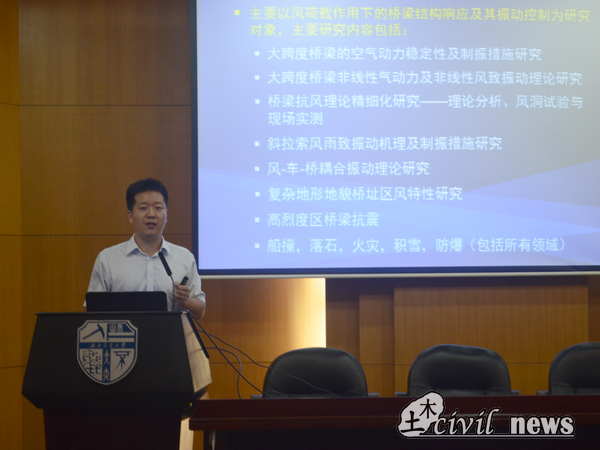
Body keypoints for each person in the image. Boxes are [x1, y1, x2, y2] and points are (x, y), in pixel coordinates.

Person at [87, 178, 206, 318]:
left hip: (169, 333)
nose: (151, 214)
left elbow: (200, 311)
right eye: (143, 208)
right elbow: (90, 312)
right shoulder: (108, 259)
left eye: (158, 208)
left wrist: (185, 301)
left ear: (166, 215)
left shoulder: (184, 257)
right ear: (130, 216)